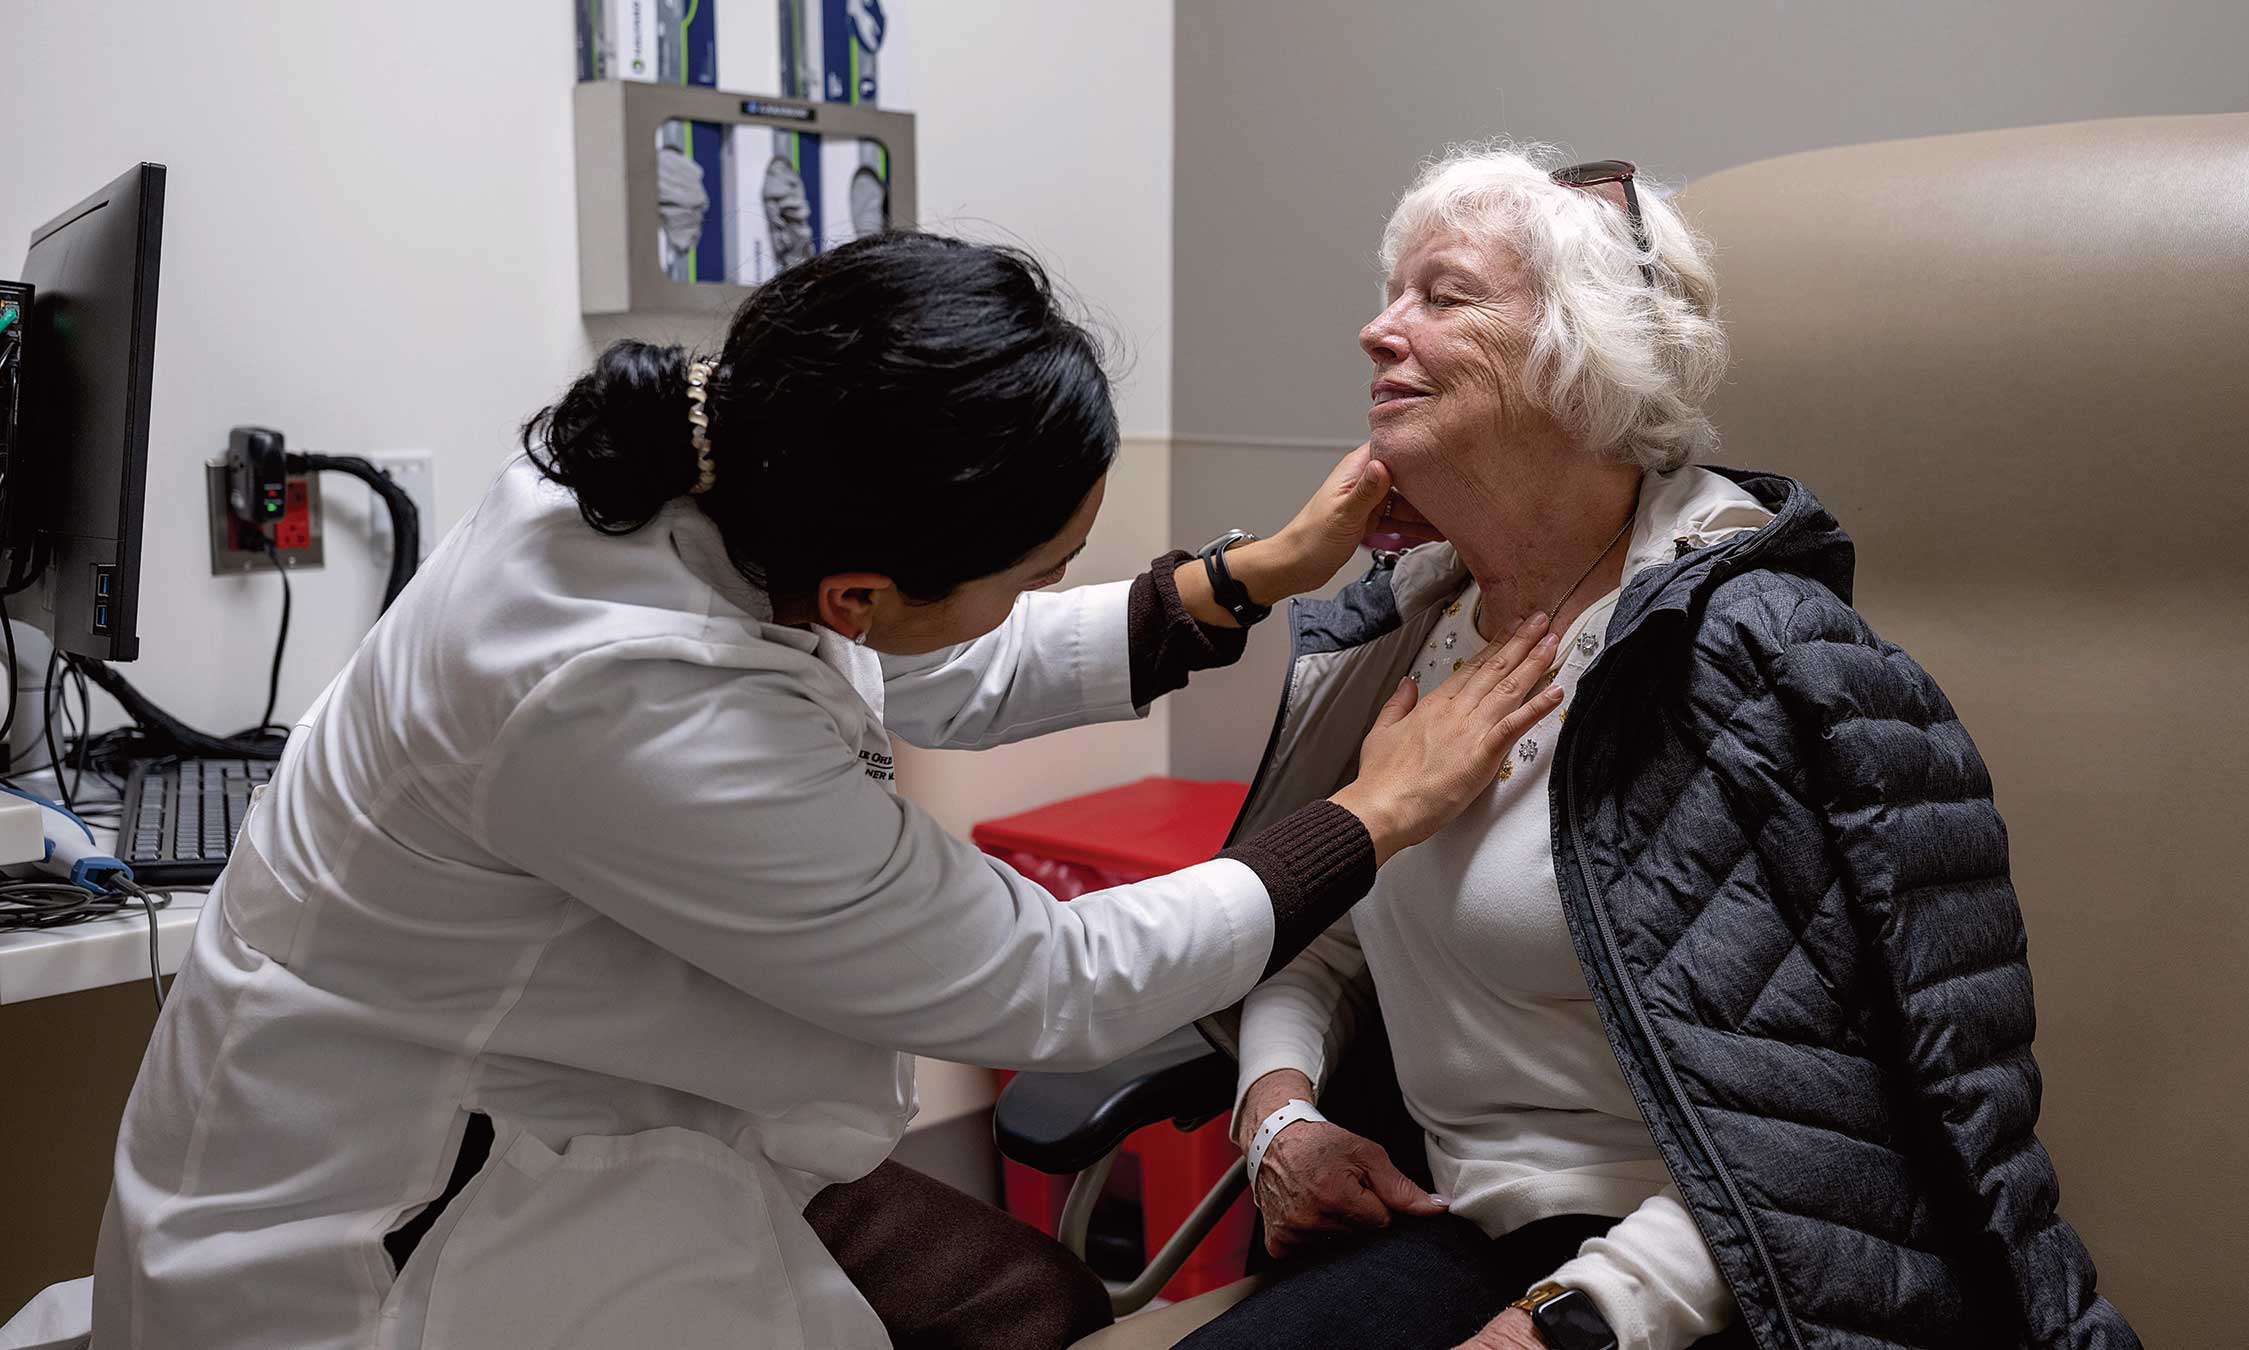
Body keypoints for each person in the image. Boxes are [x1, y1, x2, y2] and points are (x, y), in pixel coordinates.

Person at [90, 232, 1566, 1350]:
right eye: (1033, 575)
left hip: (571, 1094)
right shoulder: (623, 695)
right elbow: (1040, 977)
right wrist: (1379, 810)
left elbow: (921, 669)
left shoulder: (703, 480)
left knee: (1030, 1293)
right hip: (392, 1215)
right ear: (861, 589)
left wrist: (1245, 580)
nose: (1391, 327)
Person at [1182, 145, 2141, 1350]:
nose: (1379, 331)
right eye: (1388, 294)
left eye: (1443, 294)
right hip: (1446, 1221)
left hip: (1725, 1273)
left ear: (1583, 350)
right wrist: (1280, 1119)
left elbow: (1858, 1125)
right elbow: (1312, 924)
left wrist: (1572, 1323)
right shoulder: (1401, 623)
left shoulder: (1760, 658)